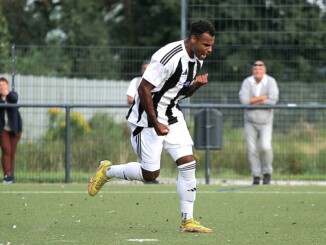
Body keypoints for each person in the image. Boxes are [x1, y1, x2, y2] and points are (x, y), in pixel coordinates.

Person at [88, 20, 216, 233]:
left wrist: (195, 86)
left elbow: (178, 92)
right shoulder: (168, 57)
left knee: (188, 163)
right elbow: (143, 89)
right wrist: (156, 122)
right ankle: (108, 171)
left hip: (173, 115)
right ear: (193, 39)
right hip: (147, 120)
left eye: (211, 45)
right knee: (150, 174)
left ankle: (188, 221)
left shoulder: (197, 60)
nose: (209, 50)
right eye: (206, 45)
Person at [239, 61, 279, 185]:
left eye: (260, 68)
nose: (257, 70)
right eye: (255, 68)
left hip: (266, 121)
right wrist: (263, 98)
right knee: (252, 150)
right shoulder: (247, 82)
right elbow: (244, 101)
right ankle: (256, 175)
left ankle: (267, 173)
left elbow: (273, 100)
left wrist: (253, 101)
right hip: (250, 121)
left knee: (266, 147)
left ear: (264, 70)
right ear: (253, 70)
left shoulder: (271, 82)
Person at [0, 77, 23, 184]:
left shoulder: (13, 95)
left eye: (3, 85)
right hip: (3, 129)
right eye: (0, 85)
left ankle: (10, 175)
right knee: (6, 150)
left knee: (12, 152)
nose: (2, 87)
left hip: (15, 128)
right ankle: (7, 175)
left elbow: (14, 99)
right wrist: (3, 99)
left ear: (7, 86)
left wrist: (6, 95)